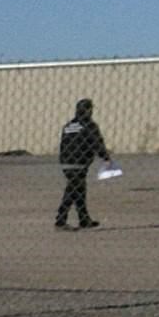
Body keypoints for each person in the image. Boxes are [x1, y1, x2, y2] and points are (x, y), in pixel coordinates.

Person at [55, 98, 108, 229]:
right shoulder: (89, 125)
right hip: (80, 163)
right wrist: (105, 157)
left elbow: (63, 144)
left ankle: (84, 219)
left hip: (66, 162)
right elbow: (97, 143)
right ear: (88, 110)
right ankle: (60, 220)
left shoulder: (68, 126)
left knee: (78, 189)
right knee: (73, 190)